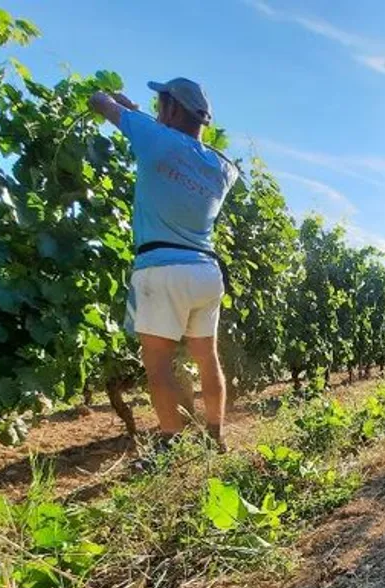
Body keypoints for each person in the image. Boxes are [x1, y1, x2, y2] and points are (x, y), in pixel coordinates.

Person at [88, 78, 238, 453]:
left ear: (171, 108)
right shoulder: (222, 168)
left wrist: (110, 100)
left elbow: (99, 102)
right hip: (206, 271)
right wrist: (139, 114)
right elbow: (172, 140)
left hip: (161, 269)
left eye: (161, 104)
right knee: (208, 359)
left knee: (157, 365)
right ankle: (216, 437)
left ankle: (169, 444)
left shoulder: (154, 139)